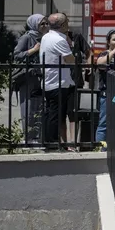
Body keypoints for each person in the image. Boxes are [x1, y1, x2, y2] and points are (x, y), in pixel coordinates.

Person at [39, 12, 77, 149]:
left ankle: (49, 141)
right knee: (55, 115)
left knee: (51, 112)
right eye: (67, 21)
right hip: (58, 82)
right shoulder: (59, 40)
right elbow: (70, 59)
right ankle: (53, 143)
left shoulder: (46, 36)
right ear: (62, 25)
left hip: (49, 81)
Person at [12, 13, 47, 143]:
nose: (45, 26)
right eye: (42, 24)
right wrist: (33, 50)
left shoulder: (45, 38)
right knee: (28, 108)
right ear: (34, 25)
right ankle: (28, 137)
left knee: (39, 107)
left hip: (40, 77)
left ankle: (37, 136)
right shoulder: (26, 37)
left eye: (46, 23)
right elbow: (17, 55)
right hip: (28, 78)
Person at [94, 29, 115, 145]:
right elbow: (100, 63)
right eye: (114, 39)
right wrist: (114, 51)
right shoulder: (105, 54)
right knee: (104, 122)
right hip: (106, 93)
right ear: (108, 42)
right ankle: (100, 147)